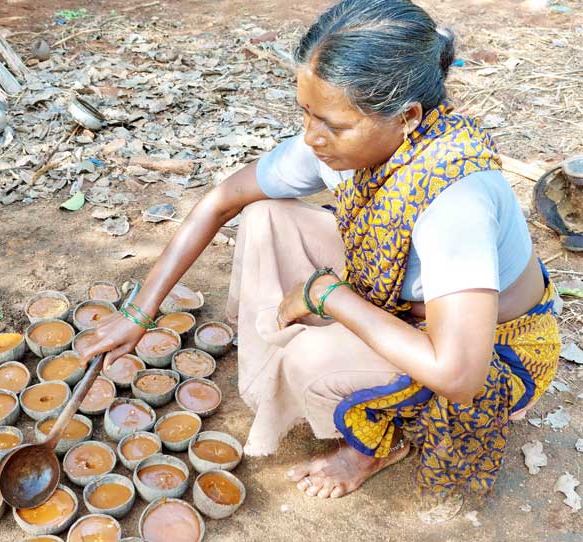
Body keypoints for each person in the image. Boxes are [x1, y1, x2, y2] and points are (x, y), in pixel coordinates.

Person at [80, 0, 560, 503]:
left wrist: (327, 297)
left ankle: (373, 446)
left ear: (408, 117)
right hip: (402, 303)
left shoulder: (455, 199)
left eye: (333, 124)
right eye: (306, 113)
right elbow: (223, 200)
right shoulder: (345, 145)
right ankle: (292, 360)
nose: (312, 138)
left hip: (493, 351)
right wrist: (139, 311)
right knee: (267, 214)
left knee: (312, 356)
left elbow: (460, 375)